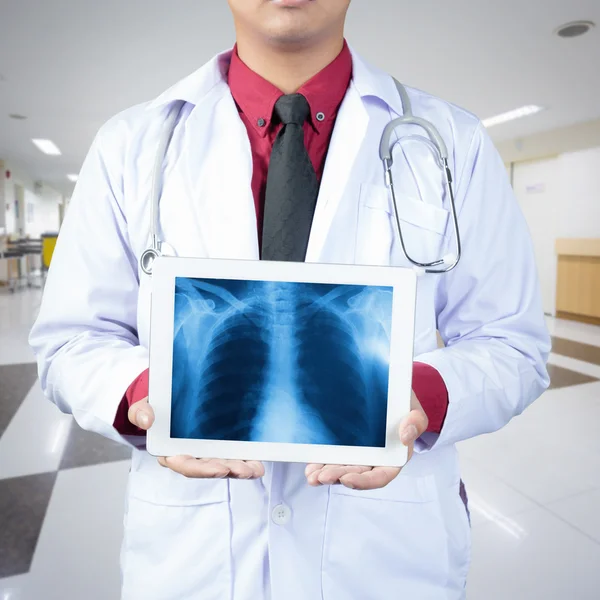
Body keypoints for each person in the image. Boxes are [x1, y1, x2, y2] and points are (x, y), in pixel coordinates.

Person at [29, 0, 551, 598]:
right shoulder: (131, 145)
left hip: (384, 557)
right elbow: (72, 339)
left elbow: (512, 342)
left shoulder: (452, 141)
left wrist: (417, 399)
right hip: (193, 559)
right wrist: (150, 395)